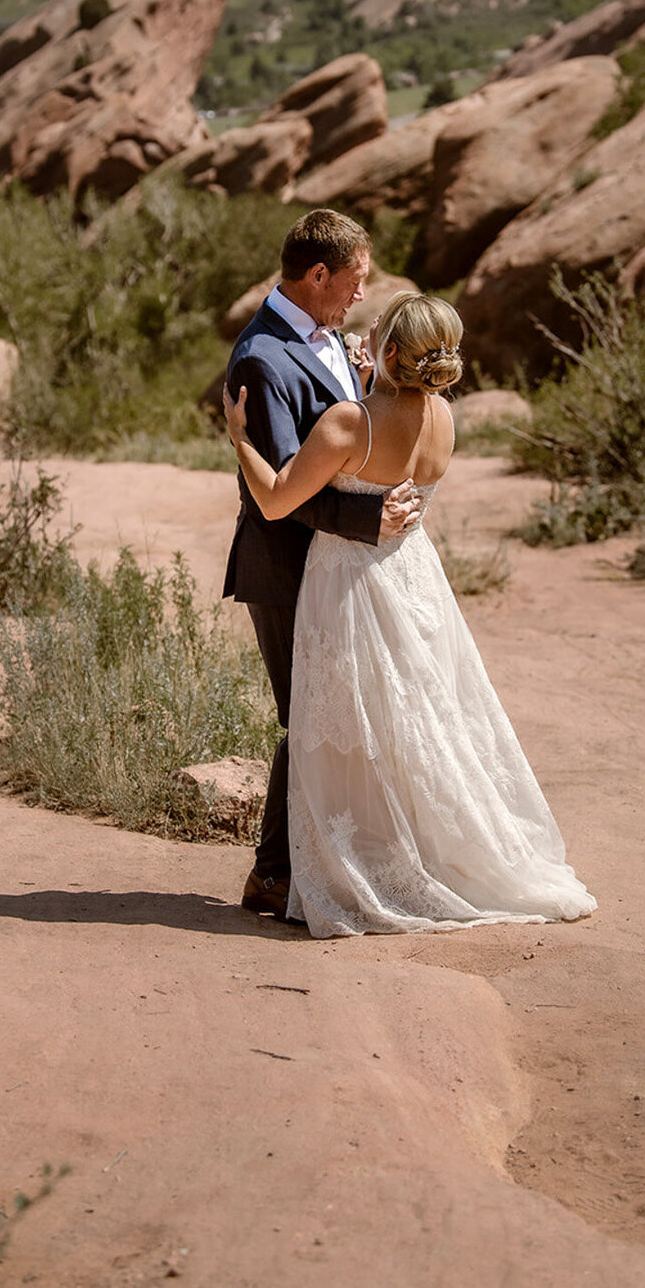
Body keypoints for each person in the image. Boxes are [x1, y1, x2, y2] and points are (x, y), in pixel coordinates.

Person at [223, 290, 597, 938]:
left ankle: (348, 867)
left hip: (349, 585)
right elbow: (396, 450)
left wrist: (239, 438)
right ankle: (413, 852)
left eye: (377, 334)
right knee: (415, 719)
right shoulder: (446, 418)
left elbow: (280, 499)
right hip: (414, 577)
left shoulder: (347, 423)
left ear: (391, 351)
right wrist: (381, 379)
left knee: (347, 727)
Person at [223, 210, 421, 923]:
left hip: (331, 566)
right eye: (353, 281)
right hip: (285, 566)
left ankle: (323, 861)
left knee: (330, 712)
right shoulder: (261, 357)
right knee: (299, 713)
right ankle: (272, 874)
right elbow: (275, 485)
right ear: (317, 276)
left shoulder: (326, 336)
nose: (358, 296)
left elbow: (333, 446)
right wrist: (367, 522)